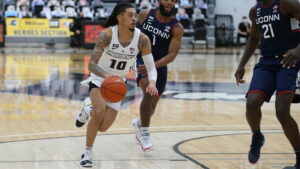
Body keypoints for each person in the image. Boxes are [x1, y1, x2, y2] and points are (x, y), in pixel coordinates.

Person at [74, 3, 158, 167]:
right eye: (129, 15)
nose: (134, 18)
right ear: (119, 17)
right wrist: (106, 77)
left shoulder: (142, 39)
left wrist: (153, 82)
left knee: (103, 127)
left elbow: (152, 69)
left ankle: (86, 108)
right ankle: (88, 153)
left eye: (135, 15)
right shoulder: (107, 35)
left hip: (118, 84)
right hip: (100, 78)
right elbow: (92, 65)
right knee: (98, 113)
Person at [234, 0, 300, 167]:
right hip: (266, 63)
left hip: (288, 62)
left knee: (282, 112)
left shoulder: (288, 4)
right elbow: (254, 38)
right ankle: (257, 136)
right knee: (251, 104)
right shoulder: (255, 11)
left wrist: (298, 50)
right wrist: (242, 65)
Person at [131, 0, 184, 151]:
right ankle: (145, 135)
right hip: (140, 60)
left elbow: (172, 55)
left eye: (173, 1)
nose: (169, 2)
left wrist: (152, 66)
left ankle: (139, 123)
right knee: (148, 90)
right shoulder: (144, 14)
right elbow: (132, 35)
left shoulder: (177, 27)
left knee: (152, 107)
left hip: (159, 65)